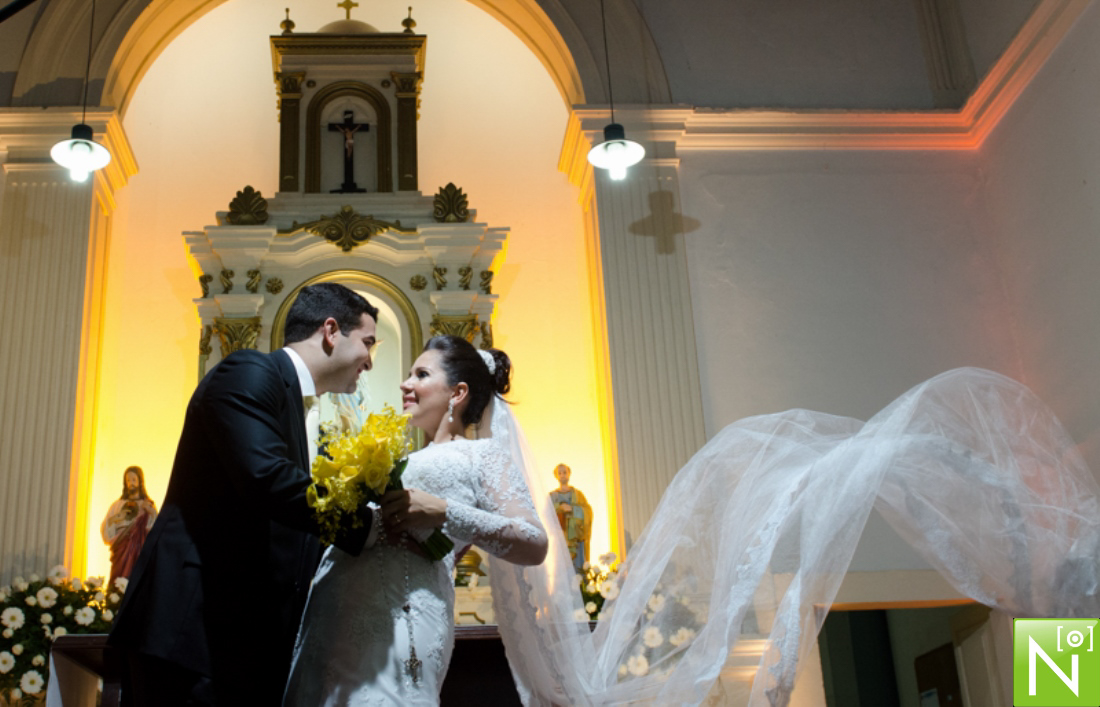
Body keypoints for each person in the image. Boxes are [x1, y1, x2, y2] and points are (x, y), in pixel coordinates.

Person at [110, 282, 383, 706]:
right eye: (367, 342)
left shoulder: (304, 408)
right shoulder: (249, 371)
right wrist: (371, 528)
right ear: (331, 331)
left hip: (242, 641)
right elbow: (267, 479)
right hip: (192, 631)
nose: (370, 360)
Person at [283, 335, 549, 705]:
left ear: (457, 393)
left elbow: (533, 542)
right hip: (334, 616)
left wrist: (443, 511)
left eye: (421, 375)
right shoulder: (397, 459)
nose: (405, 384)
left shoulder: (481, 455)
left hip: (401, 621)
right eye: (409, 374)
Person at [100, 465, 158, 588]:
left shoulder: (147, 505)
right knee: (117, 585)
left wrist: (151, 513)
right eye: (128, 480)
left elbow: (156, 531)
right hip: (120, 552)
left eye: (133, 479)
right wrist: (116, 518)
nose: (131, 483)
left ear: (140, 481)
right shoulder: (117, 505)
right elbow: (106, 531)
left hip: (139, 552)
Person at [550, 463, 592, 573]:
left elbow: (588, 512)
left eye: (564, 472)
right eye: (559, 473)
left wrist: (573, 509)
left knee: (577, 568)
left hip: (576, 538)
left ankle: (579, 581)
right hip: (560, 537)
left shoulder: (578, 495)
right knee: (561, 566)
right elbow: (546, 513)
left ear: (569, 474)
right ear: (556, 476)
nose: (562, 475)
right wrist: (559, 507)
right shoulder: (552, 496)